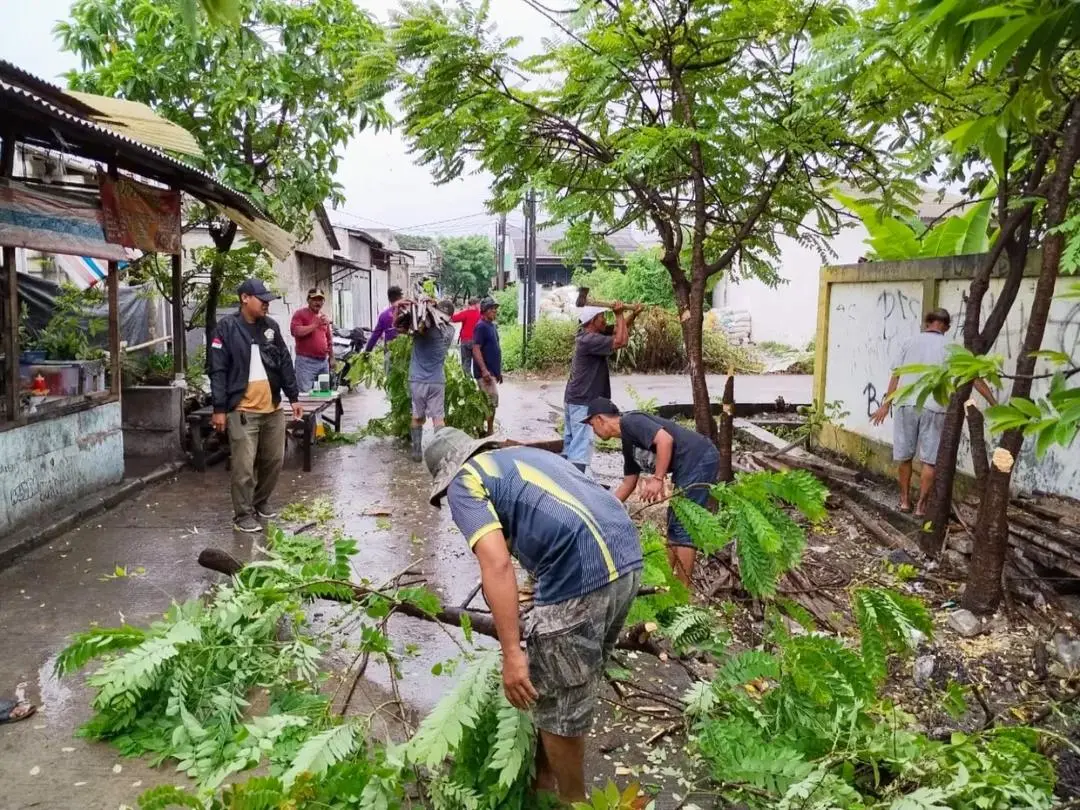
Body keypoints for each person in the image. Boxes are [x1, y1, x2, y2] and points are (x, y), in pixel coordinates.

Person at [424, 427, 642, 802]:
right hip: (626, 554)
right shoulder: (520, 457)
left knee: (557, 701)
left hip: (581, 570)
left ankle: (572, 801)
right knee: (564, 685)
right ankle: (543, 781)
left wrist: (512, 653)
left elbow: (496, 565)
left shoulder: (465, 483)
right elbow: (554, 516)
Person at [871, 308, 997, 516]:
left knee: (904, 456)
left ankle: (904, 501)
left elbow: (896, 376)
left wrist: (886, 405)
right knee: (930, 460)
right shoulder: (953, 348)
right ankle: (921, 506)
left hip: (905, 403)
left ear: (926, 323)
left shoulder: (909, 342)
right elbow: (975, 379)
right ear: (946, 327)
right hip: (935, 407)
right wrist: (993, 402)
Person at [585, 397, 719, 586]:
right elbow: (629, 482)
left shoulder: (631, 421)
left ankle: (682, 593)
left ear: (600, 419)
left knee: (684, 525)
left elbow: (665, 440)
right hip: (688, 465)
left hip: (699, 457)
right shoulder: (627, 442)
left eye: (592, 425)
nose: (593, 431)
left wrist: (658, 479)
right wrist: (604, 510)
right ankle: (664, 585)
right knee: (675, 523)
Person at [209, 278, 304, 533]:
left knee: (274, 460)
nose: (266, 304)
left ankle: (261, 502)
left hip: (272, 407)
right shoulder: (226, 329)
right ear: (244, 298)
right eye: (262, 300)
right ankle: (242, 514)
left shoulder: (270, 327)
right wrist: (219, 408)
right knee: (243, 468)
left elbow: (284, 362)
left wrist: (293, 397)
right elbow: (217, 370)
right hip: (242, 411)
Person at [562, 302, 641, 473]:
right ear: (592, 321)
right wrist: (618, 313)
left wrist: (633, 314)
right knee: (581, 447)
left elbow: (618, 330)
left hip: (575, 399)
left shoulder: (589, 335)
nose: (605, 320)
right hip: (583, 401)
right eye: (602, 317)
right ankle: (578, 485)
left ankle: (567, 478)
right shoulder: (589, 340)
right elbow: (620, 341)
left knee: (571, 445)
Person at [408, 299, 457, 462]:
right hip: (437, 381)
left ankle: (416, 452)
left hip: (417, 379)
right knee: (438, 418)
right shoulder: (450, 331)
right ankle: (440, 455)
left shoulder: (422, 327)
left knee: (417, 416)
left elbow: (406, 326)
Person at [290, 288, 333, 392]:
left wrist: (332, 357)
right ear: (308, 300)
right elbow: (296, 331)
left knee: (324, 392)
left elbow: (328, 338)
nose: (317, 302)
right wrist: (315, 325)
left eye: (320, 299)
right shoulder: (300, 314)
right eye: (314, 299)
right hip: (306, 362)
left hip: (323, 362)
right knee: (305, 393)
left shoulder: (323, 317)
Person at [364, 285, 405, 353]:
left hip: (389, 352)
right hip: (405, 352)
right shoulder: (408, 312)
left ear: (389, 299)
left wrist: (367, 352)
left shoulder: (384, 315)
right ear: (400, 297)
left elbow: (375, 336)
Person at [452, 297, 482, 374]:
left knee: (466, 363)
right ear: (476, 304)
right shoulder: (480, 315)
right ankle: (479, 380)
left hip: (465, 341)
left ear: (469, 304)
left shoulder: (465, 313)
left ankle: (467, 381)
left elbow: (453, 319)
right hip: (476, 342)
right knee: (478, 363)